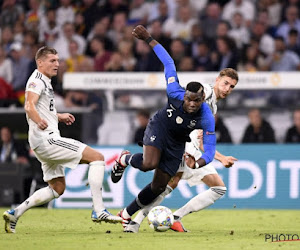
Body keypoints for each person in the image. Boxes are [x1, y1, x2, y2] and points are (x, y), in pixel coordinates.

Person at [3, 46, 122, 234]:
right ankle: (99, 210)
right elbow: (29, 105)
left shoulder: (45, 81)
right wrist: (39, 120)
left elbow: (40, 107)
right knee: (97, 157)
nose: (57, 64)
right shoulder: (36, 81)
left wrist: (57, 116)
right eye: (52, 61)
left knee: (57, 188)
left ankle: (15, 213)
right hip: (47, 140)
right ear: (40, 62)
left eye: (58, 60)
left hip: (42, 142)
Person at [111, 25, 217, 230]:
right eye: (189, 99)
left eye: (197, 100)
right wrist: (149, 38)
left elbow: (210, 149)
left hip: (177, 142)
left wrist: (197, 164)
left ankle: (126, 214)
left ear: (203, 99)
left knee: (158, 186)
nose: (192, 104)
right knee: (149, 163)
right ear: (184, 95)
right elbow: (169, 62)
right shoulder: (173, 91)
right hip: (159, 127)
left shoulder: (206, 117)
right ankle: (124, 159)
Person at [124, 68, 239, 233]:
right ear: (217, 80)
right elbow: (190, 99)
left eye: (232, 86)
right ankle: (136, 220)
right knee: (165, 183)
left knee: (211, 187)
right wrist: (220, 158)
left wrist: (219, 157)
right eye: (225, 83)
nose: (227, 88)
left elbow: (203, 142)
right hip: (182, 147)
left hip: (190, 149)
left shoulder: (212, 106)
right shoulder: (205, 93)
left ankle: (170, 218)